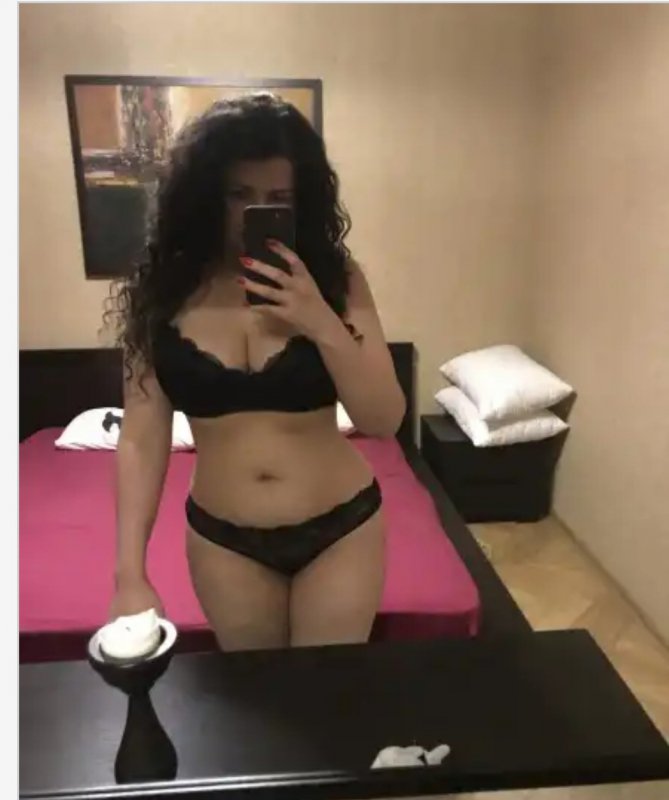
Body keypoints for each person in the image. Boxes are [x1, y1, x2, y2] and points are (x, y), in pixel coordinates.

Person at [106, 93, 406, 651]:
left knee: (329, 689)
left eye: (277, 198)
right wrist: (129, 573)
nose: (254, 212)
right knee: (258, 692)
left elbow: (383, 418)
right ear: (205, 195)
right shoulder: (163, 292)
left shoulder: (335, 280)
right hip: (225, 540)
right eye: (238, 195)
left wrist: (320, 320)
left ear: (302, 201)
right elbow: (141, 440)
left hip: (341, 527)